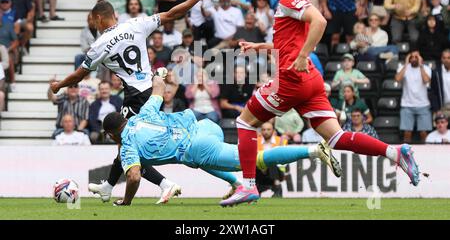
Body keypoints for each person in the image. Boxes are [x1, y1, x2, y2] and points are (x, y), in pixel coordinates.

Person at [227, 0, 420, 206]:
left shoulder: (288, 0)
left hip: (291, 79)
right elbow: (288, 42)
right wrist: (261, 46)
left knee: (245, 122)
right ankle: (396, 152)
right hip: (310, 80)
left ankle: (249, 185)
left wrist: (303, 55)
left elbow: (320, 21)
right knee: (336, 138)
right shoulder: (299, 1)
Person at [49, 0, 216, 204]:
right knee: (125, 144)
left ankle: (165, 184)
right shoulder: (135, 24)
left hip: (135, 95)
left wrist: (58, 86)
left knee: (128, 145)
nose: (94, 25)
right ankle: (108, 187)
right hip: (149, 90)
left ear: (99, 18)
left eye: (93, 21)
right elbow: (171, 14)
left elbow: (79, 75)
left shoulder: (100, 44)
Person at [101, 76, 341, 206]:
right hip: (204, 125)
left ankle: (314, 150)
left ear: (112, 134)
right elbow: (158, 89)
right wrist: (160, 75)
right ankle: (237, 185)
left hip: (197, 146)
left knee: (253, 160)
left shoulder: (127, 145)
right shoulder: (142, 114)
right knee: (198, 162)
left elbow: (133, 176)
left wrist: (127, 201)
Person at [395, 50, 433, 143]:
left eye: (416, 57)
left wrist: (421, 65)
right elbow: (397, 79)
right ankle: (405, 154)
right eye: (412, 57)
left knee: (423, 133)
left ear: (420, 58)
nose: (414, 59)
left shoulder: (426, 68)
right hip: (407, 105)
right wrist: (406, 64)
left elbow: (426, 80)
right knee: (407, 133)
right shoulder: (403, 68)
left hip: (423, 104)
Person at [256, 121, 287, 197]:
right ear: (261, 131)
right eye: (264, 129)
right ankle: (258, 188)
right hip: (260, 169)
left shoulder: (281, 141)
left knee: (271, 161)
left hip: (278, 170)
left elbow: (283, 159)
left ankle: (277, 186)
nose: (266, 132)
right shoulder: (256, 141)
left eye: (268, 129)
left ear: (273, 131)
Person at [430, 49, 450, 119]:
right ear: (441, 59)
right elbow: (433, 92)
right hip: (442, 107)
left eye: (448, 58)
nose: (446, 60)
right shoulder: (436, 73)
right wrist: (436, 109)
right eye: (444, 58)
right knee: (439, 127)